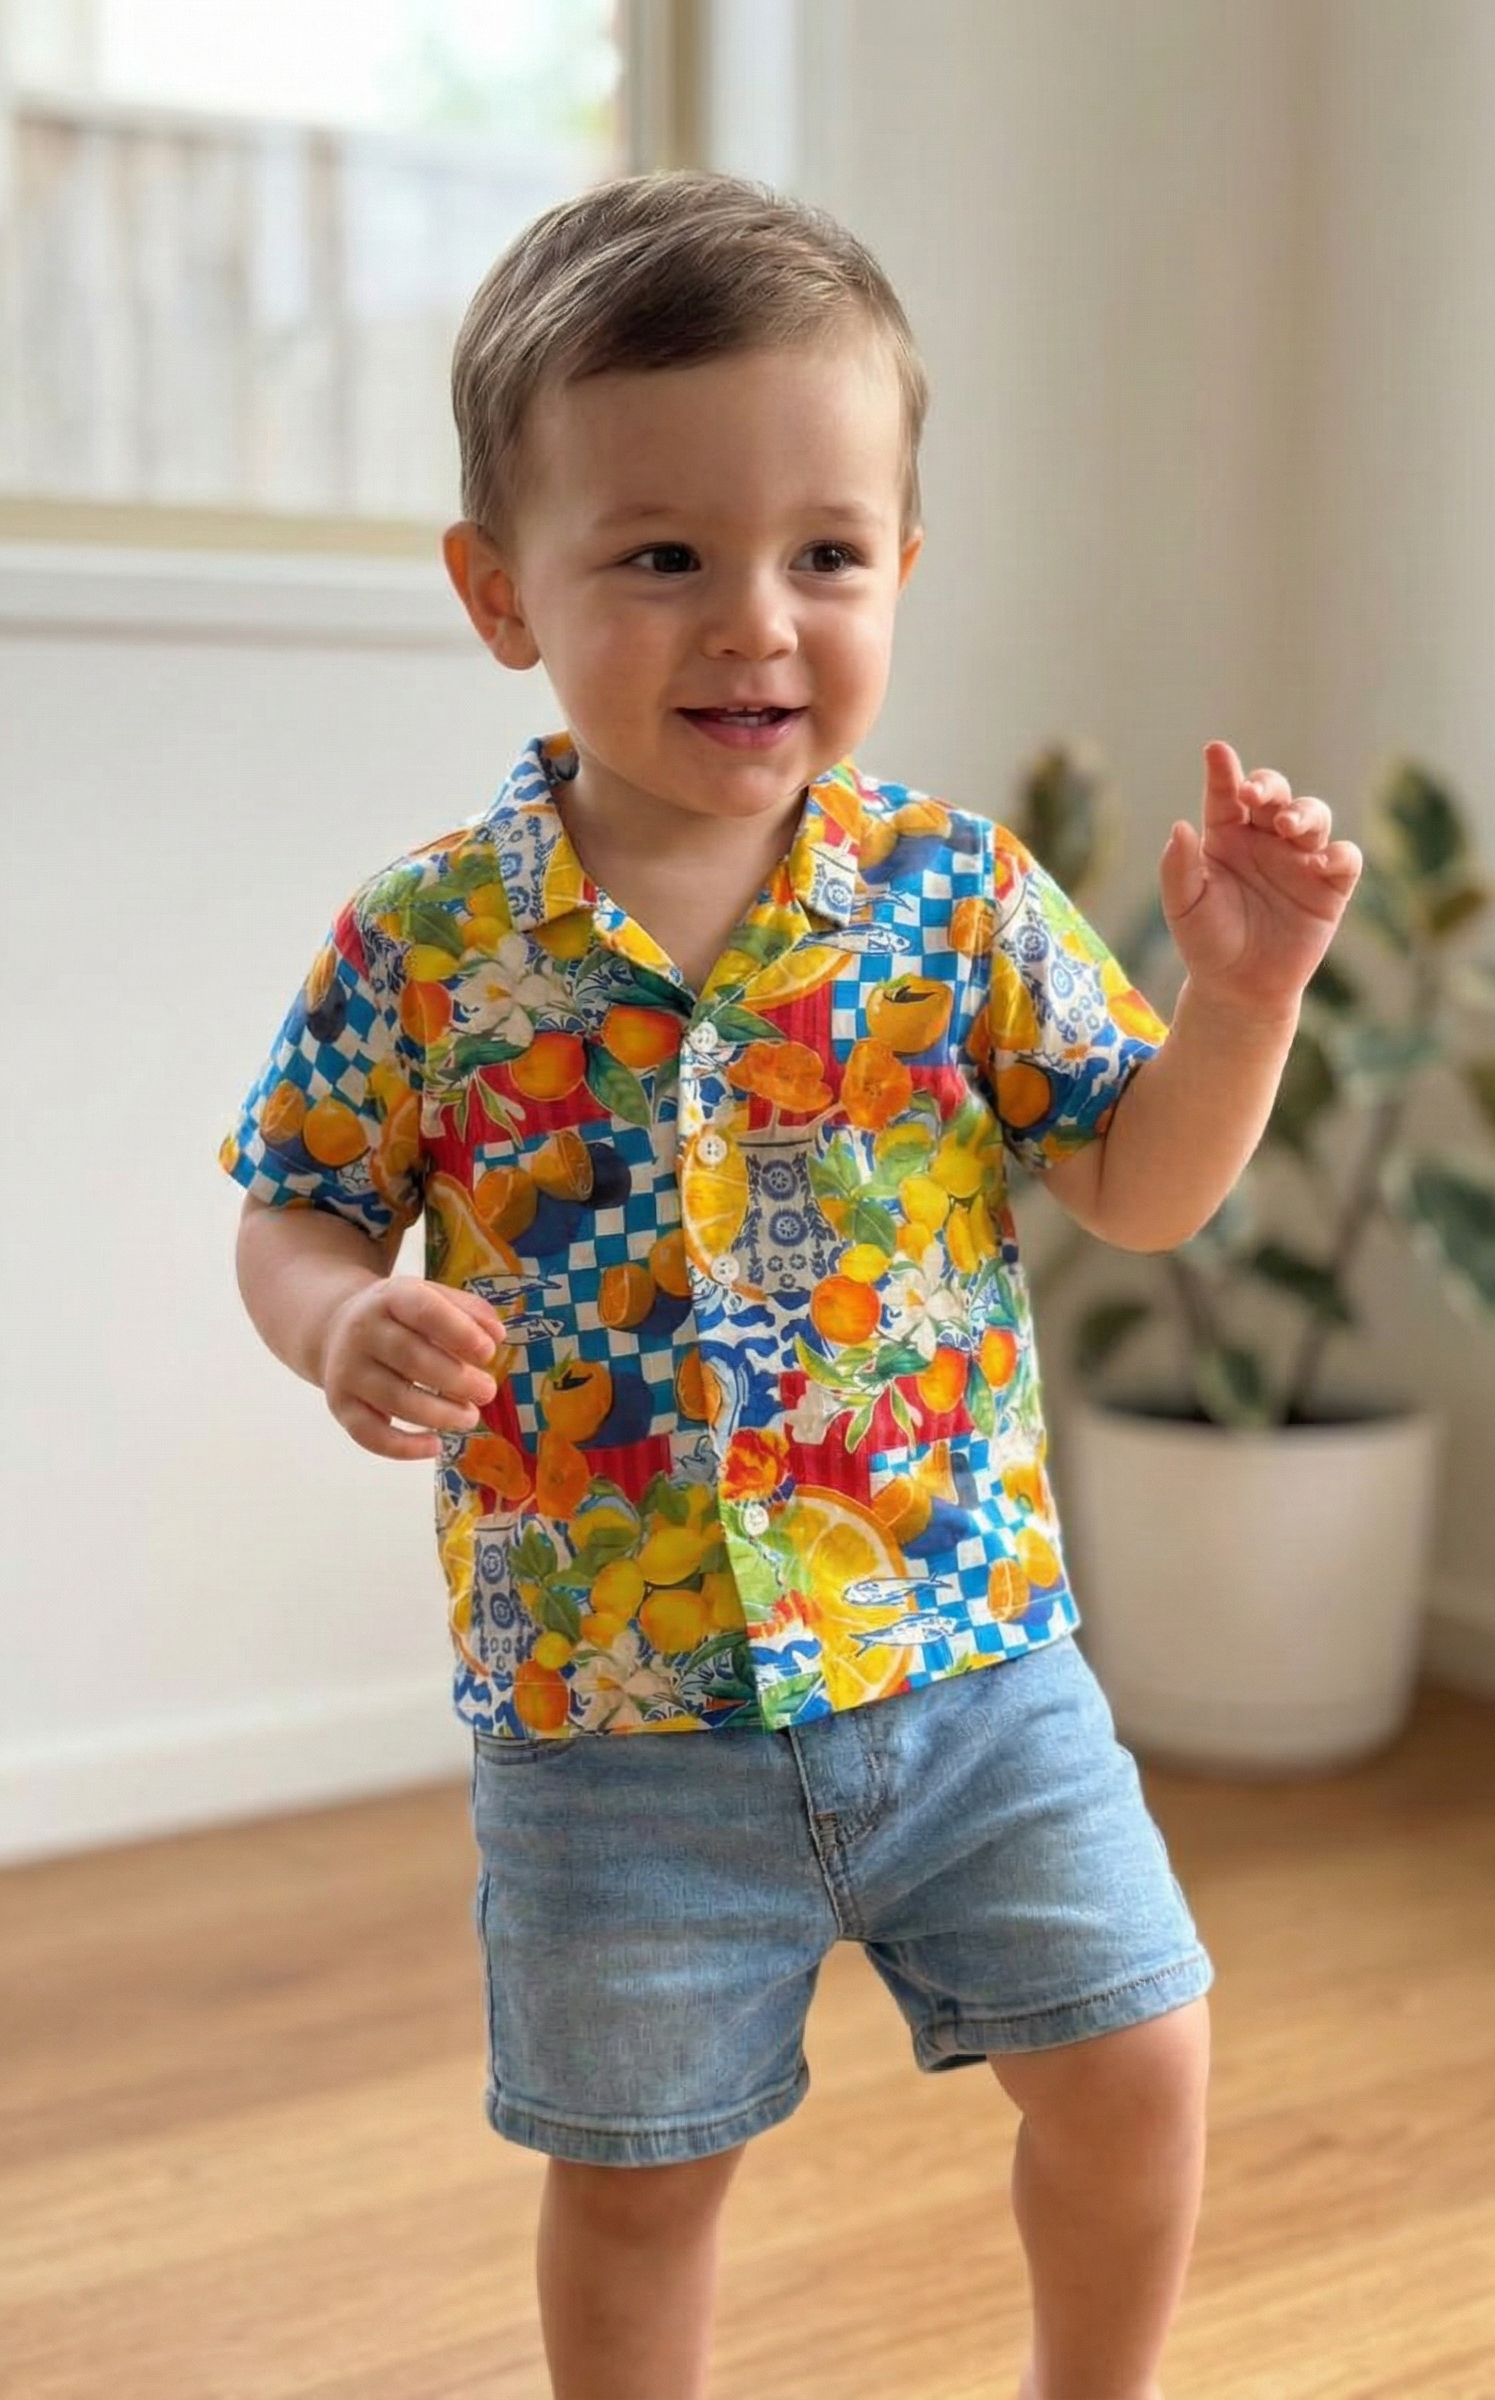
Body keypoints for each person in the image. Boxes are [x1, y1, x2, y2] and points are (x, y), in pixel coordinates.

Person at [221, 169, 1362, 2400]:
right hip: (609, 1729)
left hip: (968, 1668)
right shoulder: (430, 944)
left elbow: (1134, 1194)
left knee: (1139, 2055)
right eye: (661, 556)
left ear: (899, 572)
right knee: (641, 2173)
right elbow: (294, 1199)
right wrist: (335, 1315)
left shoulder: (954, 900)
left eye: (821, 556)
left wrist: (1240, 1006)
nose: (755, 620)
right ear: (496, 591)